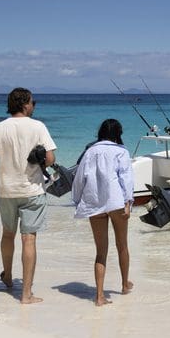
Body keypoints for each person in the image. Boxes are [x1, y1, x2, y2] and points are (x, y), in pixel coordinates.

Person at [0, 87, 56, 305]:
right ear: (25, 104)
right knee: (29, 239)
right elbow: (51, 158)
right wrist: (41, 158)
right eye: (33, 103)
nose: (34, 106)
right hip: (32, 191)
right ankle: (26, 294)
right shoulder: (38, 127)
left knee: (8, 234)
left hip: (7, 191)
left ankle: (7, 275)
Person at [72, 119, 134, 306]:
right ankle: (124, 284)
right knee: (122, 245)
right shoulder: (121, 151)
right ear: (118, 134)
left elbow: (79, 179)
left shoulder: (90, 151)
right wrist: (128, 202)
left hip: (94, 202)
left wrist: (77, 201)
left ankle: (99, 296)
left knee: (101, 251)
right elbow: (126, 179)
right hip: (116, 202)